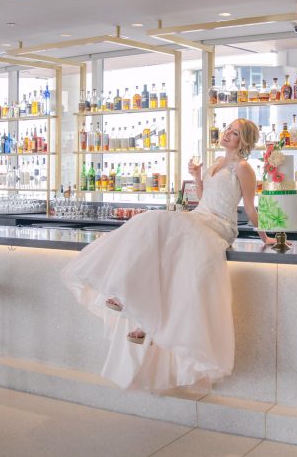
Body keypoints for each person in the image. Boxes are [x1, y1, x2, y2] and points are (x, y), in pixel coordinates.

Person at [61, 118, 275, 392]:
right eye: (227, 128)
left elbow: (250, 207)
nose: (227, 134)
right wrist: (197, 177)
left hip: (219, 225)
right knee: (153, 228)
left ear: (243, 140)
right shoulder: (216, 163)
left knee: (159, 224)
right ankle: (140, 314)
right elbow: (203, 199)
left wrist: (265, 236)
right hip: (199, 217)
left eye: (234, 132)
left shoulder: (243, 168)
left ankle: (142, 316)